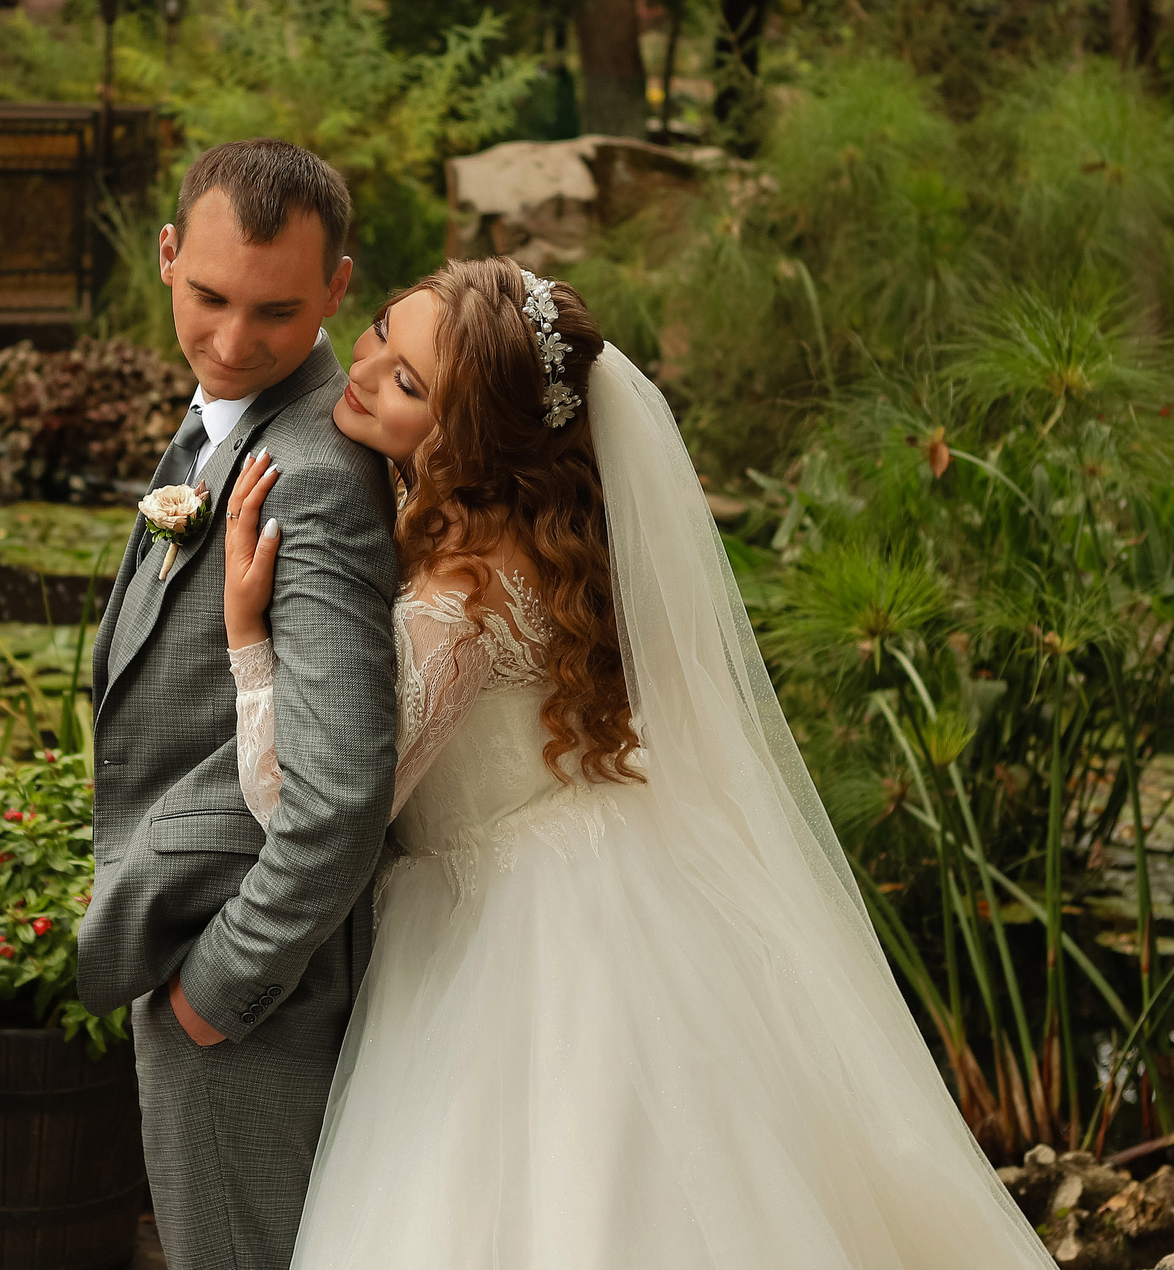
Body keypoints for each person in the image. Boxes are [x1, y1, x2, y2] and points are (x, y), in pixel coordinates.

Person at [217, 257, 1058, 1269]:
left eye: (407, 384)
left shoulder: (456, 609)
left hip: (507, 928)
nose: (364, 366)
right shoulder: (535, 535)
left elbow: (303, 807)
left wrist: (247, 645)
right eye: (384, 329)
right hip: (612, 860)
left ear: (469, 438)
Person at [76, 139, 400, 1270]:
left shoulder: (309, 475)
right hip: (192, 934)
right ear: (167, 255)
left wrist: (219, 986)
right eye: (208, 296)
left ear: (335, 292)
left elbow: (342, 792)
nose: (228, 341)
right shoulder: (236, 411)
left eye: (274, 313)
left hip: (247, 994)